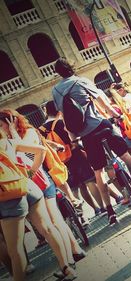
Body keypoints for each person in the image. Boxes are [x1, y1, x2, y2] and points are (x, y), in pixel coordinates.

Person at [51, 58, 131, 225]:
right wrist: (115, 114)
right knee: (125, 155)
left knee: (99, 171)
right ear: (71, 68)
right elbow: (102, 101)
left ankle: (110, 211)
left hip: (85, 135)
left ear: (58, 73)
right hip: (100, 124)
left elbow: (64, 115)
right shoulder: (81, 81)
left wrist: (73, 138)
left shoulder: (56, 91)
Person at [0, 113, 77, 281]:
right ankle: (66, 268)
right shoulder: (7, 142)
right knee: (48, 228)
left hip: (9, 196)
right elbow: (41, 150)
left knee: (16, 250)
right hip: (29, 187)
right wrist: (30, 172)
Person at [42, 101, 105, 216]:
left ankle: (93, 210)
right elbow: (74, 140)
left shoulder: (41, 129)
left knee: (79, 186)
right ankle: (102, 207)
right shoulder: (61, 123)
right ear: (58, 110)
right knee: (90, 181)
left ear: (46, 111)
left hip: (59, 161)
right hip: (76, 155)